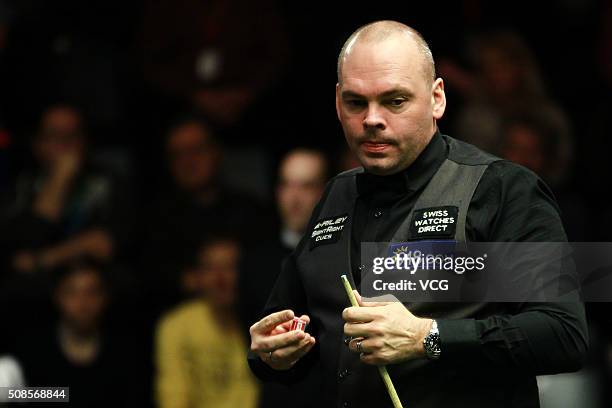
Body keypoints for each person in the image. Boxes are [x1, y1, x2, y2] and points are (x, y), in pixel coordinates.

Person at [247, 20, 588, 407]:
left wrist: (428, 336)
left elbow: (564, 335)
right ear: (338, 101)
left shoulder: (503, 189)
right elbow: (291, 329)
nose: (372, 119)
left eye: (395, 101)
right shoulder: (335, 194)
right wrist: (272, 353)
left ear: (437, 98)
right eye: (356, 102)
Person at [239, 148, 328, 408]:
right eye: (286, 185)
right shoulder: (254, 260)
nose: (294, 197)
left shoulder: (341, 255)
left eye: (306, 186)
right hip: (277, 394)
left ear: (325, 192)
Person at [155, 237, 259, 408]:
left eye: (230, 267)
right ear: (196, 277)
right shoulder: (176, 325)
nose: (220, 278)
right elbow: (172, 396)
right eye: (210, 268)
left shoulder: (259, 322)